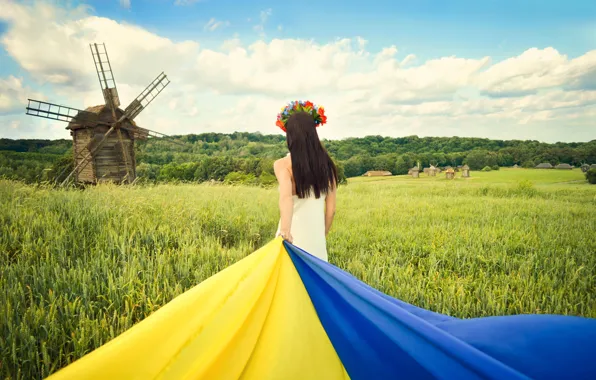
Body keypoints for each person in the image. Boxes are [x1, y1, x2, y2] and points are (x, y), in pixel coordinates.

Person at [273, 100, 338, 262]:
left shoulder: (282, 165)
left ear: (290, 136)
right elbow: (331, 211)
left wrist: (285, 231)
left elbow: (286, 198)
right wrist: (320, 235)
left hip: (290, 237)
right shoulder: (328, 166)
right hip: (316, 240)